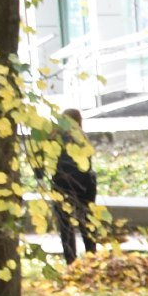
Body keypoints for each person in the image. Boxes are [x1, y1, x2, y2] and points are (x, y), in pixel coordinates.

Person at [49, 110, 99, 265]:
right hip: (84, 185)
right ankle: (92, 256)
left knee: (65, 226)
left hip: (61, 185)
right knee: (87, 222)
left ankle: (71, 260)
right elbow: (87, 165)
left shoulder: (54, 139)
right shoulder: (82, 138)